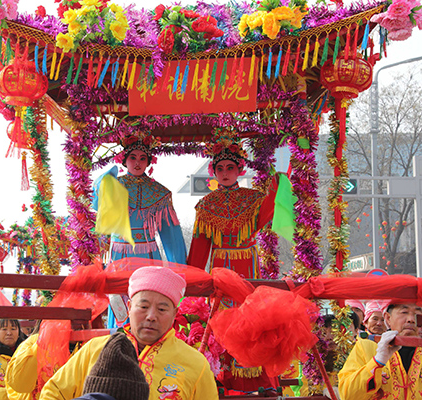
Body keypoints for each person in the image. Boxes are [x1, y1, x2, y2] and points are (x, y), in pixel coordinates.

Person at [39, 266, 218, 399]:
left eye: (162, 309)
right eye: (143, 306)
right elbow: (53, 393)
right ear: (130, 307)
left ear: (174, 314)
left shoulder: (195, 364)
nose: (151, 316)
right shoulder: (95, 349)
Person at [94, 131, 187, 327]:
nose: (137, 163)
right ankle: (118, 339)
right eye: (133, 157)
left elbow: (171, 237)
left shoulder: (160, 193)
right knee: (119, 303)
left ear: (149, 161)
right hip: (119, 255)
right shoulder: (114, 185)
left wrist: (178, 269)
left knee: (148, 299)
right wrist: (105, 179)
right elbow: (97, 210)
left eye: (142, 158)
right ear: (124, 160)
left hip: (148, 255)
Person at [187, 129, 277, 278]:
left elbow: (266, 215)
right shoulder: (205, 204)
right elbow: (199, 248)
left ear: (239, 170)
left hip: (247, 261)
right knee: (221, 292)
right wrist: (193, 278)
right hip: (220, 264)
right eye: (220, 169)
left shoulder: (254, 198)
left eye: (230, 168)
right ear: (214, 172)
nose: (225, 173)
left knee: (247, 292)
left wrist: (276, 186)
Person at [338, 302, 422, 399]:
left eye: (417, 313)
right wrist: (377, 361)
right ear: (388, 318)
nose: (411, 319)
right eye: (404, 312)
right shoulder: (366, 347)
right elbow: (347, 395)